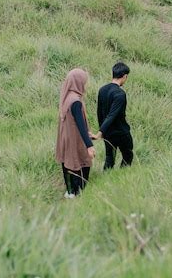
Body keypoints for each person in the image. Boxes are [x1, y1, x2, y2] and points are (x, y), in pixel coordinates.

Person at [56, 68, 96, 198]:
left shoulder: (66, 96)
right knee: (81, 162)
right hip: (75, 139)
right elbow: (80, 125)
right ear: (79, 82)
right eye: (84, 81)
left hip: (65, 138)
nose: (85, 84)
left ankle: (70, 192)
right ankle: (79, 193)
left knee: (67, 163)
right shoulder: (76, 102)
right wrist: (89, 146)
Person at [95, 62, 133, 169]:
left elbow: (100, 112)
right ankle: (122, 176)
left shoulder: (102, 90)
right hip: (121, 132)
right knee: (128, 155)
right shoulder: (120, 94)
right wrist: (99, 132)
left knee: (109, 158)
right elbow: (112, 115)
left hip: (108, 133)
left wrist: (102, 130)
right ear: (125, 76)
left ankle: (107, 180)